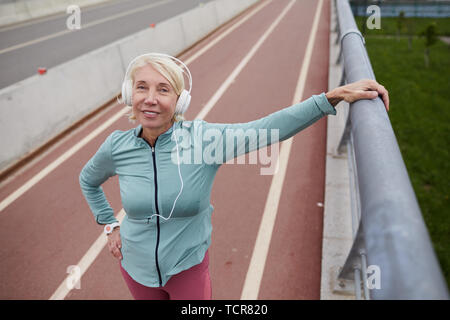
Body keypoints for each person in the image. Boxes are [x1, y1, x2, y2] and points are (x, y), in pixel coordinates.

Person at [79, 53, 389, 300]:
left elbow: (268, 129)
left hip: (187, 269)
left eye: (163, 90)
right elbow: (88, 181)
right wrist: (109, 224)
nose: (150, 98)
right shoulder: (116, 146)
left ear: (179, 101)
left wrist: (331, 98)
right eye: (141, 87)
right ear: (128, 94)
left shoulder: (204, 141)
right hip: (134, 268)